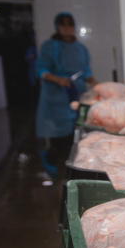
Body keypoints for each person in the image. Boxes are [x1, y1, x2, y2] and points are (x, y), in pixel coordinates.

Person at [35, 12, 97, 177]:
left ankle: (73, 166)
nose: (67, 28)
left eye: (70, 24)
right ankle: (53, 167)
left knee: (75, 132)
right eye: (63, 24)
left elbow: (85, 71)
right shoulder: (50, 46)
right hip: (55, 95)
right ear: (57, 27)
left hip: (76, 93)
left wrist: (91, 80)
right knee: (56, 134)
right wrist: (58, 79)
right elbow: (41, 70)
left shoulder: (80, 48)